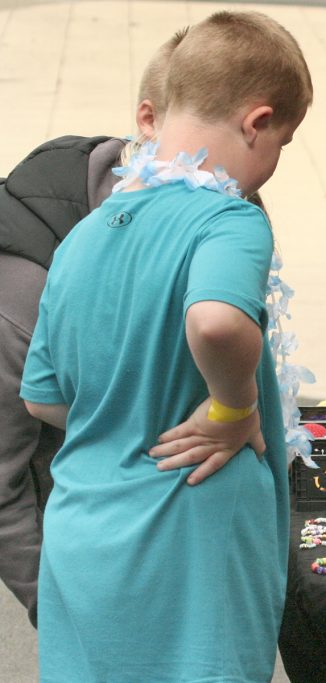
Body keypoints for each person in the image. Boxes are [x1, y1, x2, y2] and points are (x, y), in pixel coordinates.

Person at [19, 10, 313, 681]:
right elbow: (214, 321)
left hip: (84, 538)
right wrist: (232, 408)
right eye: (283, 143)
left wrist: (130, 412)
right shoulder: (230, 220)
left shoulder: (82, 237)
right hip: (191, 539)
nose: (273, 164)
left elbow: (43, 402)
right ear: (257, 122)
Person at [0, 28, 184, 628]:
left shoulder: (201, 197)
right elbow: (3, 484)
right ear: (149, 122)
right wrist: (55, 609)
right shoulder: (20, 299)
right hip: (74, 531)